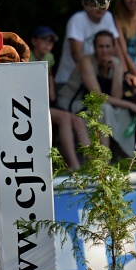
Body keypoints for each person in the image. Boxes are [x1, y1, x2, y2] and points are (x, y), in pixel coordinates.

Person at [59, 31, 136, 158]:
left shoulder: (116, 63)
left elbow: (116, 96)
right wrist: (130, 105)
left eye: (107, 46)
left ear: (114, 48)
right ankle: (104, 161)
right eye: (101, 46)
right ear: (94, 48)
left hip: (95, 104)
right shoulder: (86, 62)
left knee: (119, 111)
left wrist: (117, 71)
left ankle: (129, 156)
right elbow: (97, 96)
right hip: (72, 103)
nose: (104, 51)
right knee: (104, 109)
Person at [30, 26, 89, 170]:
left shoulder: (49, 58)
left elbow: (51, 91)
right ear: (33, 41)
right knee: (65, 118)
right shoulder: (26, 58)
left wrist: (51, 93)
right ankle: (74, 166)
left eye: (51, 41)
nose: (48, 44)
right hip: (30, 105)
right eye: (44, 39)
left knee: (77, 119)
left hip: (45, 103)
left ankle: (94, 163)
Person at [54, 2, 122, 91]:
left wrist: (124, 72)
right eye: (96, 4)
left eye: (103, 4)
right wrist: (93, 76)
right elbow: (76, 53)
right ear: (86, 5)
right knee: (101, 104)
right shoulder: (77, 19)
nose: (100, 8)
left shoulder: (107, 16)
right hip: (68, 82)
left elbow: (116, 48)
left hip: (95, 80)